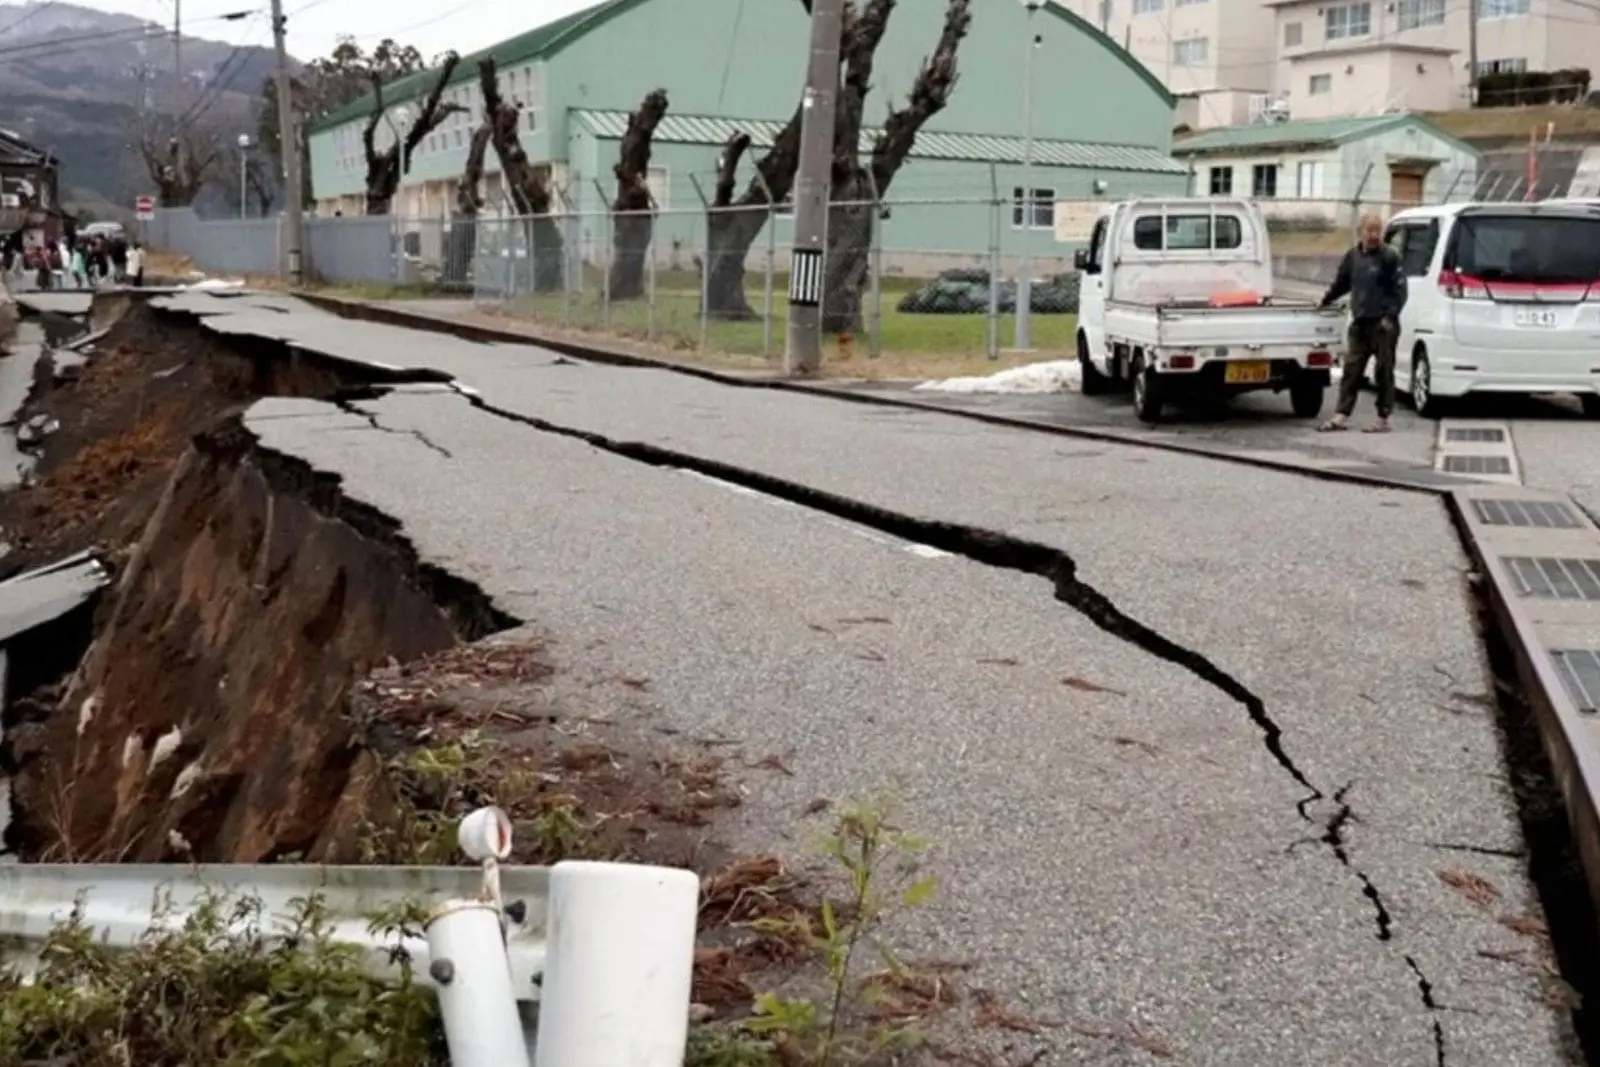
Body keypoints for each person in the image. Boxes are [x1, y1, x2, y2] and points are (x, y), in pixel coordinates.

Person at [1317, 213, 1408, 434]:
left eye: (1378, 230)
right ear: (1361, 231)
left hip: (1383, 325)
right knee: (1352, 369)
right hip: (1360, 323)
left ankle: (1383, 417)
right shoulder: (1353, 257)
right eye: (1370, 230)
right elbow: (1342, 283)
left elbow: (1400, 292)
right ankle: (1342, 414)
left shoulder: (1390, 257)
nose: (1374, 235)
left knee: (1383, 370)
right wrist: (1325, 300)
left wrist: (1389, 317)